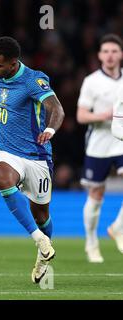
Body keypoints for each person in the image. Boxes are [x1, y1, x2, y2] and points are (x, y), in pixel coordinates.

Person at [0, 36, 65, 283]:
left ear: (13, 63)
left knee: (41, 214)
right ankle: (39, 239)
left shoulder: (34, 80)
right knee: (1, 175)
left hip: (37, 156)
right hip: (8, 152)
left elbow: (57, 109)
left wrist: (50, 130)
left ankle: (43, 253)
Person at [76, 34, 123, 263]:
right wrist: (102, 115)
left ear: (121, 54)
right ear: (99, 55)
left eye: (114, 51)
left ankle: (118, 227)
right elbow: (81, 115)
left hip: (122, 140)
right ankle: (91, 242)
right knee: (97, 194)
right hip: (99, 142)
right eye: (106, 51)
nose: (110, 55)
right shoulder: (91, 81)